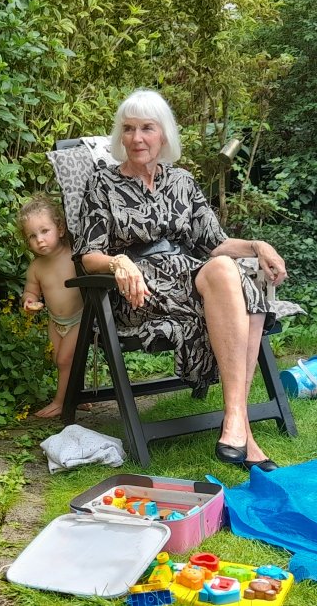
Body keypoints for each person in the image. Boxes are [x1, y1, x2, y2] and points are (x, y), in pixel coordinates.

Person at [73, 89, 288, 471]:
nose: (137, 138)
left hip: (187, 275)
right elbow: (89, 256)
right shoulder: (102, 184)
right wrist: (119, 261)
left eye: (147, 128)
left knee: (225, 270)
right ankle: (244, 432)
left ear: (163, 134)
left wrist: (258, 246)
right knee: (247, 301)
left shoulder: (182, 181)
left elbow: (216, 244)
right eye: (128, 129)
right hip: (138, 289)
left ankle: (234, 422)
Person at [17, 194, 88, 418]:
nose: (40, 240)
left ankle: (60, 402)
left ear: (60, 229)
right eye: (32, 236)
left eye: (45, 231)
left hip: (80, 318)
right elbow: (31, 290)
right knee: (62, 361)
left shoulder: (74, 256)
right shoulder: (36, 267)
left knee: (65, 360)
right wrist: (29, 301)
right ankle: (77, 395)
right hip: (56, 322)